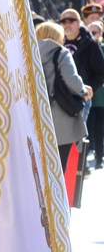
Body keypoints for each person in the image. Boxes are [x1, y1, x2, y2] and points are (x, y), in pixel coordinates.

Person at [37, 21, 89, 168]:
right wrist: (84, 91)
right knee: (60, 166)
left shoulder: (28, 54)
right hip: (61, 117)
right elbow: (71, 79)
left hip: (36, 116)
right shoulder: (61, 52)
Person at [61, 7, 104, 123]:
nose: (67, 24)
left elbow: (100, 72)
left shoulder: (90, 43)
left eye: (71, 21)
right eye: (64, 21)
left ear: (79, 22)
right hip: (61, 97)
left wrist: (86, 90)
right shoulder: (58, 41)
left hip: (81, 98)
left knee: (78, 133)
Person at [87, 20, 104, 170]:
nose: (91, 35)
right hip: (86, 96)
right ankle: (84, 162)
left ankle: (99, 158)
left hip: (101, 97)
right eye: (89, 32)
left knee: (99, 129)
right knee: (87, 130)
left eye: (94, 32)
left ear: (100, 33)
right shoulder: (85, 48)